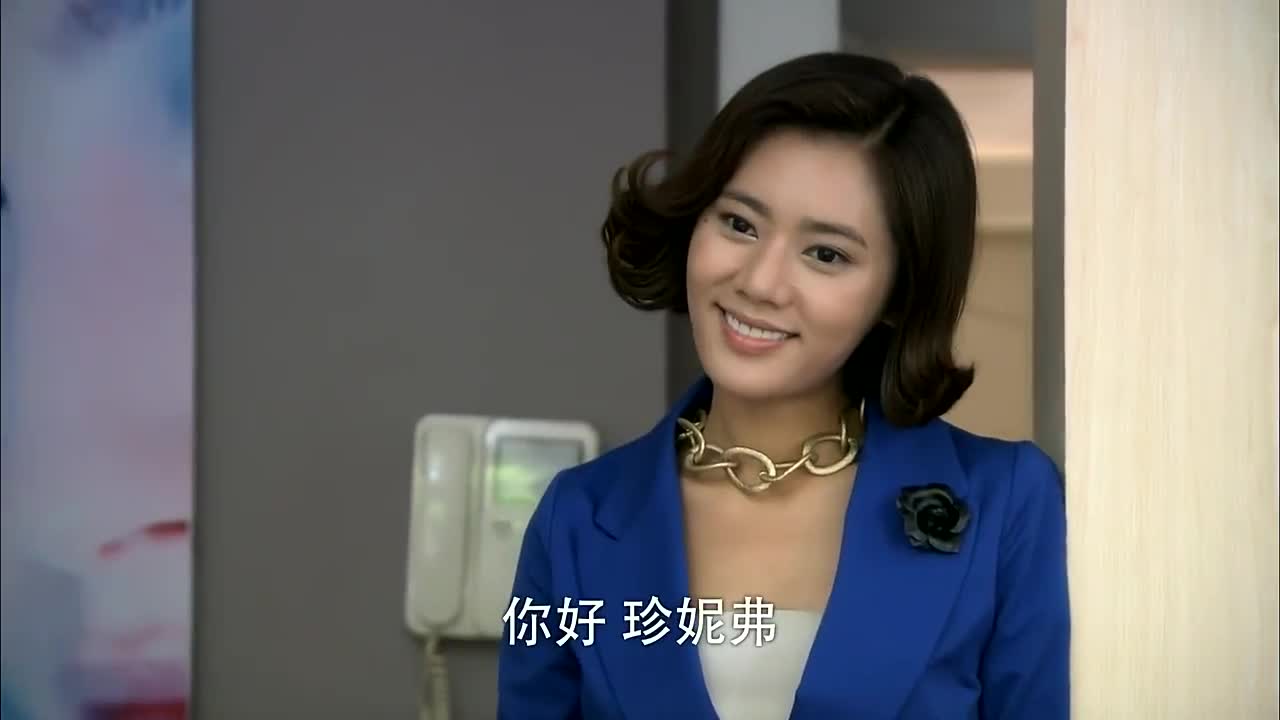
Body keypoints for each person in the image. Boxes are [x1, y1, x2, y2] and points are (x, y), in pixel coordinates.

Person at [496, 52, 1069, 719]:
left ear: (897, 294)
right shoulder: (576, 519)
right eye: (739, 223)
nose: (761, 282)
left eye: (826, 254)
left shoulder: (1008, 506)